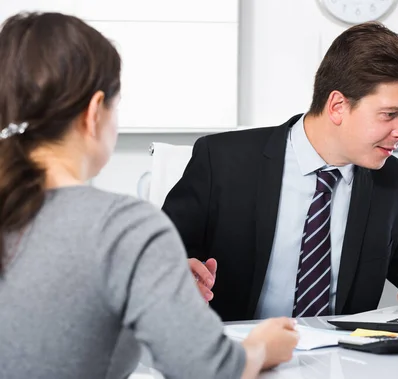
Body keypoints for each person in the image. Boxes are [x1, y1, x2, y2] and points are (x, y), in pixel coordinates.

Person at [0, 12, 298, 379]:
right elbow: (206, 368)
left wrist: (154, 275)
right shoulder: (123, 227)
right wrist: (263, 346)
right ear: (95, 112)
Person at [162, 21, 398, 322]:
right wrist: (177, 270)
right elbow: (158, 256)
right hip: (238, 356)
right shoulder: (223, 160)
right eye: (391, 115)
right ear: (337, 106)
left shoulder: (396, 182)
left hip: (339, 360)